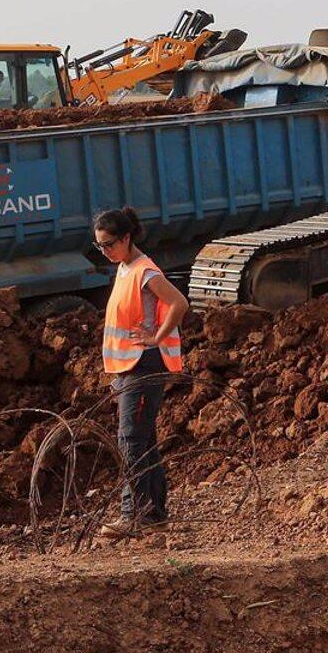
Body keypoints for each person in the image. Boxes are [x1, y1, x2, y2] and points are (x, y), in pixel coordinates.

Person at [92, 206, 189, 538]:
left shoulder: (144, 270)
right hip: (128, 367)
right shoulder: (124, 267)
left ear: (127, 238)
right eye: (99, 246)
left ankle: (135, 517)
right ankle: (154, 515)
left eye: (109, 244)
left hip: (144, 366)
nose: (104, 251)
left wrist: (158, 336)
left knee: (131, 441)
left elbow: (179, 303)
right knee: (142, 441)